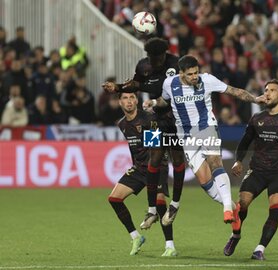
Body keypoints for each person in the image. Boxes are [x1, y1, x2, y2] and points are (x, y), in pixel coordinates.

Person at [143, 55, 266, 227]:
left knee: (215, 162)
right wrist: (154, 102)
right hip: (185, 136)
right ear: (181, 73)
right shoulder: (169, 83)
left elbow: (234, 91)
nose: (194, 77)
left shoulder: (207, 80)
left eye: (196, 73)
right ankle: (232, 207)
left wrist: (255, 99)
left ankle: (226, 211)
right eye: (190, 74)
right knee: (204, 182)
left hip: (207, 127)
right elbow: (165, 100)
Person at [102, 38, 186, 230]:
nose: (155, 63)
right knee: (153, 159)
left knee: (178, 160)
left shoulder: (176, 64)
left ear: (164, 55)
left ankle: (175, 204)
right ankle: (152, 210)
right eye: (152, 59)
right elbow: (135, 84)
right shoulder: (143, 66)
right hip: (158, 118)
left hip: (177, 119)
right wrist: (118, 87)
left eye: (158, 59)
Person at [223, 78, 278, 260]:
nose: (268, 93)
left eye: (272, 90)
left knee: (276, 207)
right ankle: (235, 235)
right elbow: (245, 141)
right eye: (266, 90)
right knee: (242, 204)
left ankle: (259, 249)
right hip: (257, 171)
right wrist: (238, 160)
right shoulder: (257, 118)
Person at [108, 92, 177, 257]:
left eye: (132, 97)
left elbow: (155, 147)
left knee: (160, 202)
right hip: (139, 168)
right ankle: (136, 237)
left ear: (136, 100)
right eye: (125, 98)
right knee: (114, 199)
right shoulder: (122, 124)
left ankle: (170, 246)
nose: (129, 101)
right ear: (120, 102)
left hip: (156, 165)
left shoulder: (148, 119)